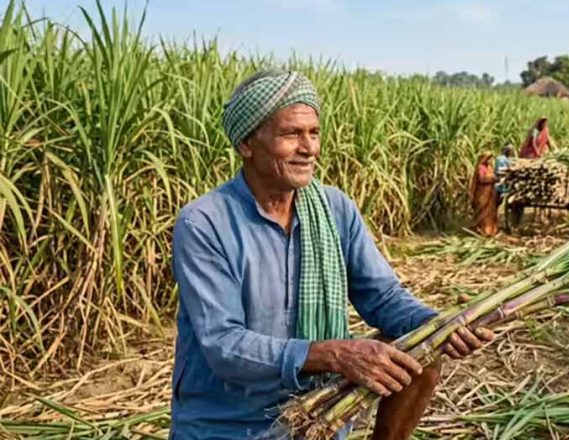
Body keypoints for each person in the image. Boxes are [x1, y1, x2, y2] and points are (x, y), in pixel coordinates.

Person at [170, 70, 494, 440]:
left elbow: (382, 297)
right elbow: (224, 345)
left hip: (321, 407)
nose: (309, 148)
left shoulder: (335, 209)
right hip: (230, 423)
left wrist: (439, 325)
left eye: (314, 132)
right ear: (247, 143)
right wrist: (334, 354)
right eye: (291, 134)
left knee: (420, 351)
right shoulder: (205, 222)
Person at [470, 152, 499, 237]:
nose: (489, 160)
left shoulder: (489, 167)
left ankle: (491, 231)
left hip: (490, 194)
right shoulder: (481, 168)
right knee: (482, 212)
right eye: (488, 158)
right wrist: (493, 179)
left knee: (490, 212)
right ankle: (482, 231)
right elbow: (482, 179)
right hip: (482, 194)